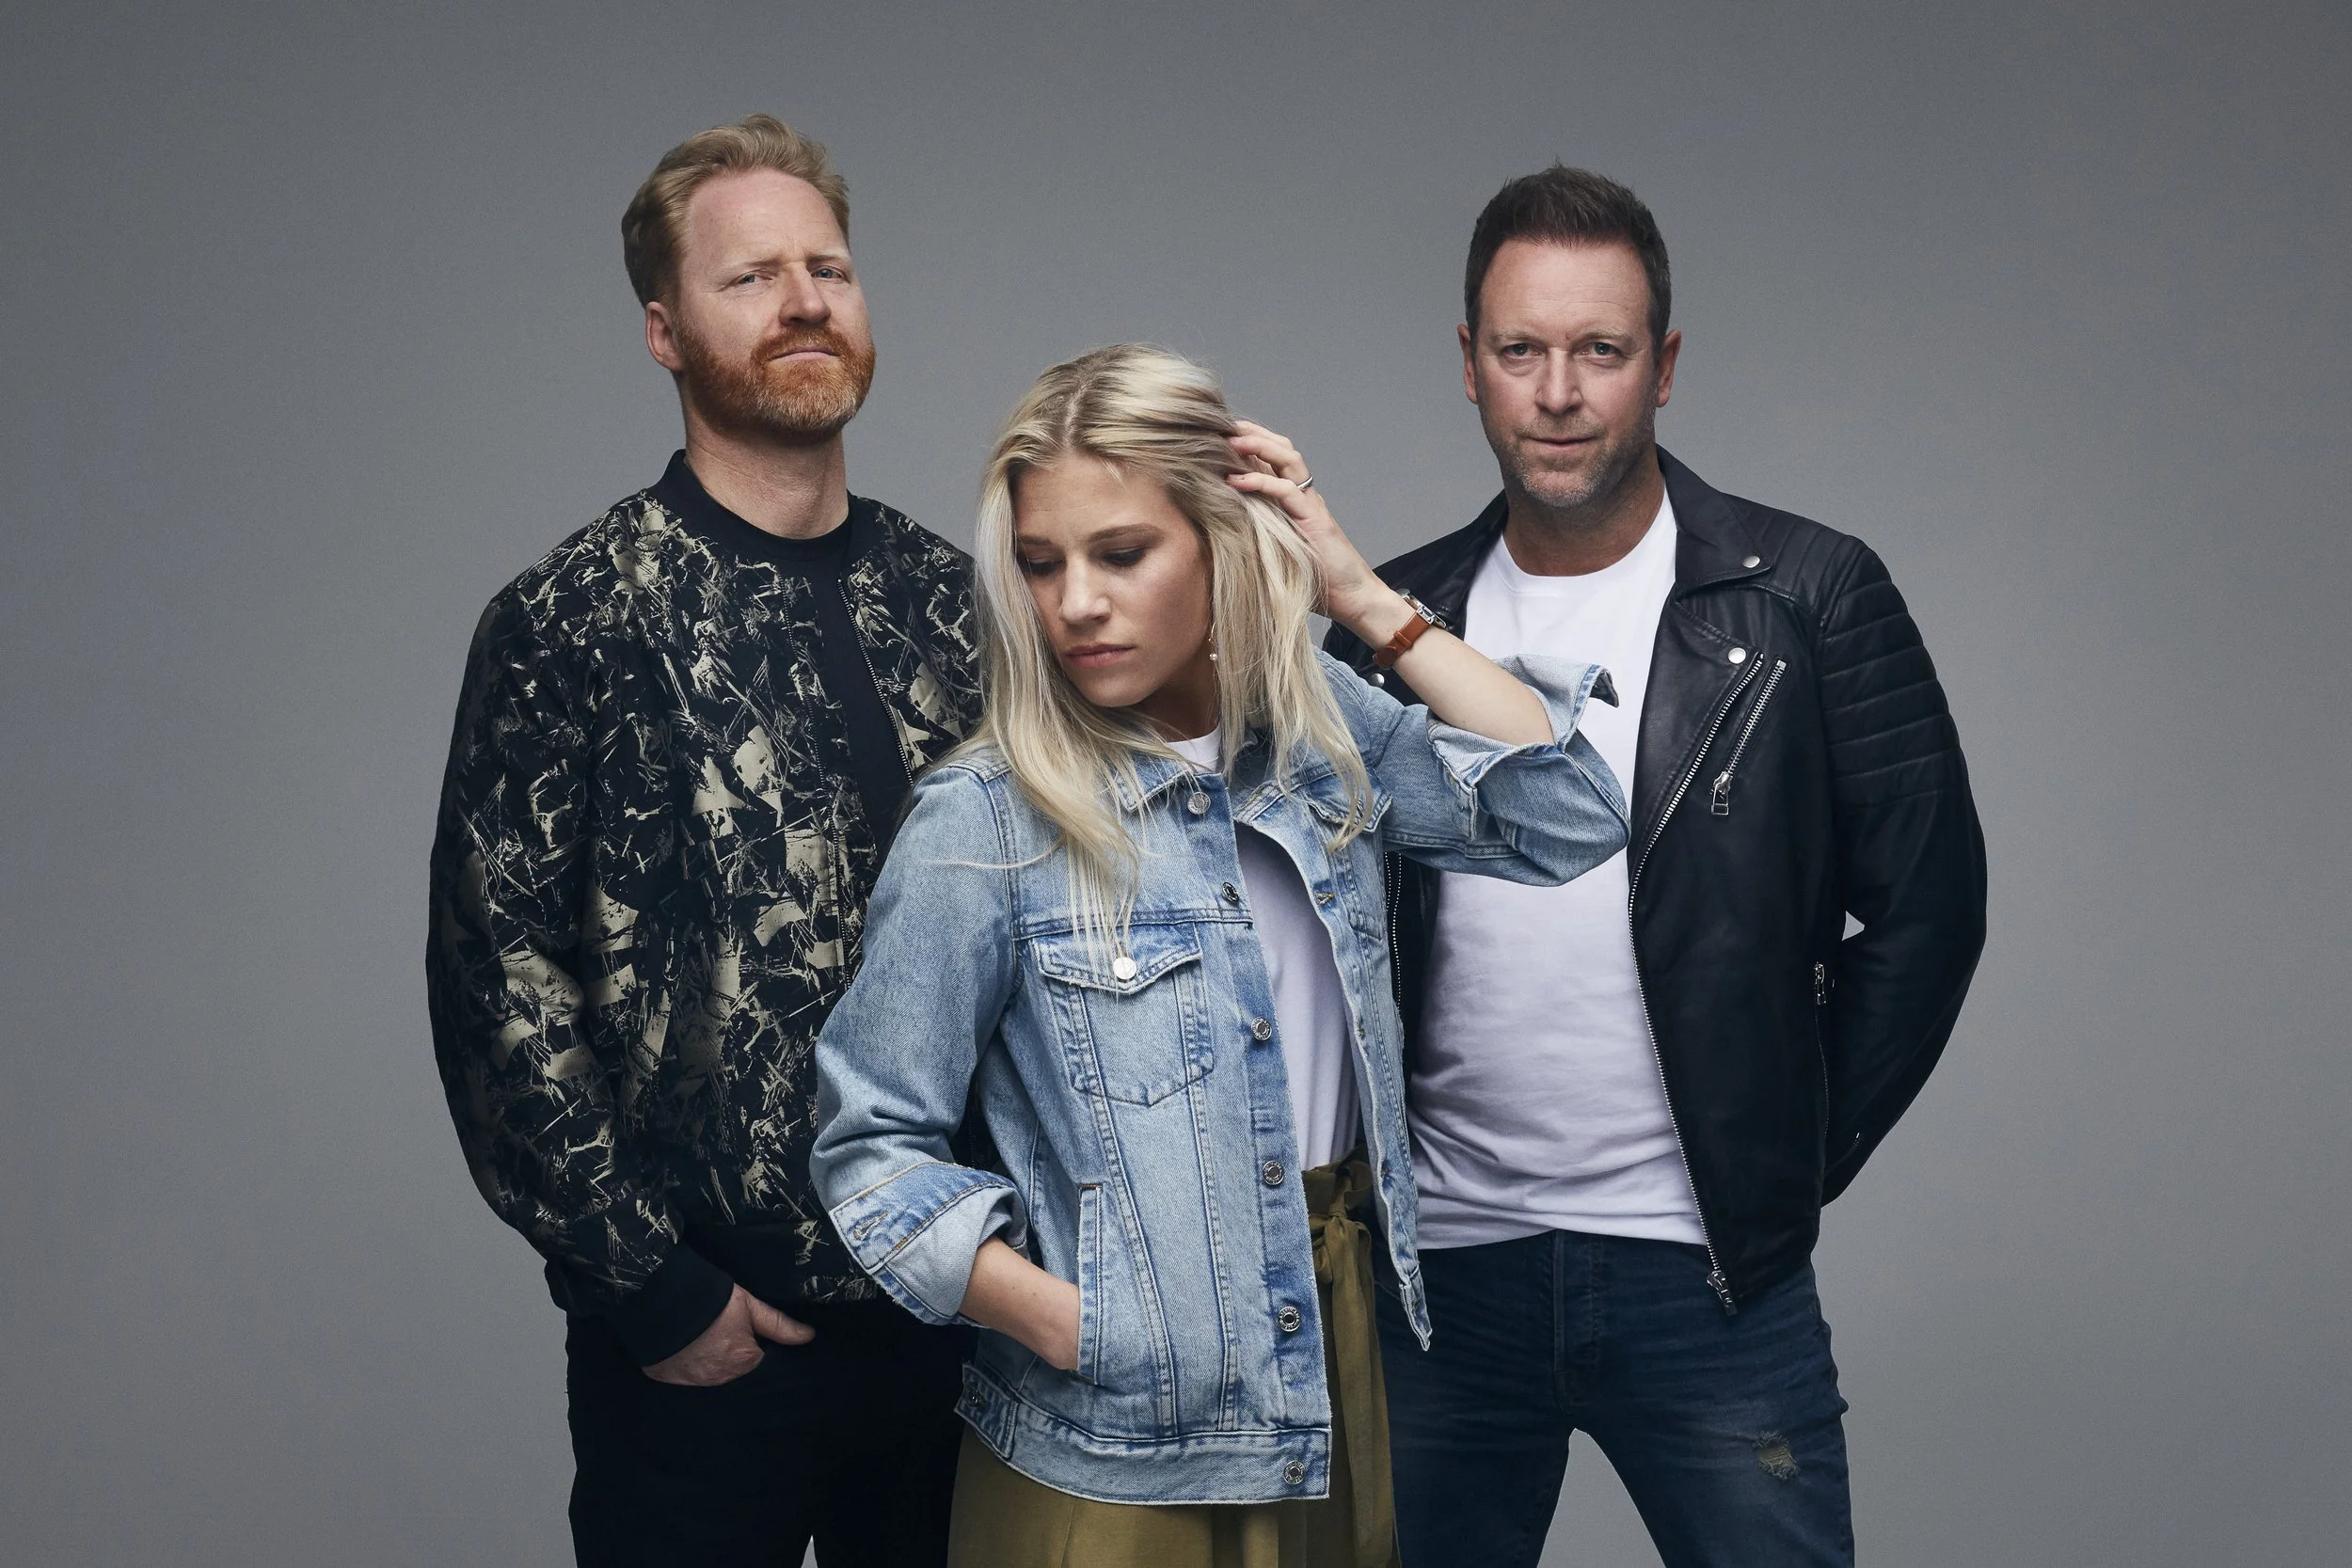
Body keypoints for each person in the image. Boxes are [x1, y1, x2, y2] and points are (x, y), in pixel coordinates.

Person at [807, 343, 1629, 1568]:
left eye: (1121, 553)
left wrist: (1360, 598)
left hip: (1331, 1390)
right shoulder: (986, 818)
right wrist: (1081, 1321)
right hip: (1112, 1442)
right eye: (1042, 563)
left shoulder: (1316, 737)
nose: (1075, 600)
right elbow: (869, 1145)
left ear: (1221, 538)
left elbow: (1565, 810)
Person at [1324, 166, 1988, 1566]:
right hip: (1442, 1279)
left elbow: (1932, 909)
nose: (1558, 390)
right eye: (1521, 349)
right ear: (1470, 365)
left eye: (1600, 350)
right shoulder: (1393, 618)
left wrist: (1785, 1156)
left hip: (1708, 1281)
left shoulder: (1808, 597)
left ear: (1663, 366)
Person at [424, 115, 981, 1567]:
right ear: (666, 333)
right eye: (753, 279)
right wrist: (650, 1289)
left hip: (958, 1336)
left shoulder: (955, 604)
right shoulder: (573, 616)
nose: (805, 300)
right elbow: (501, 977)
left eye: (830, 267)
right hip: (701, 1353)